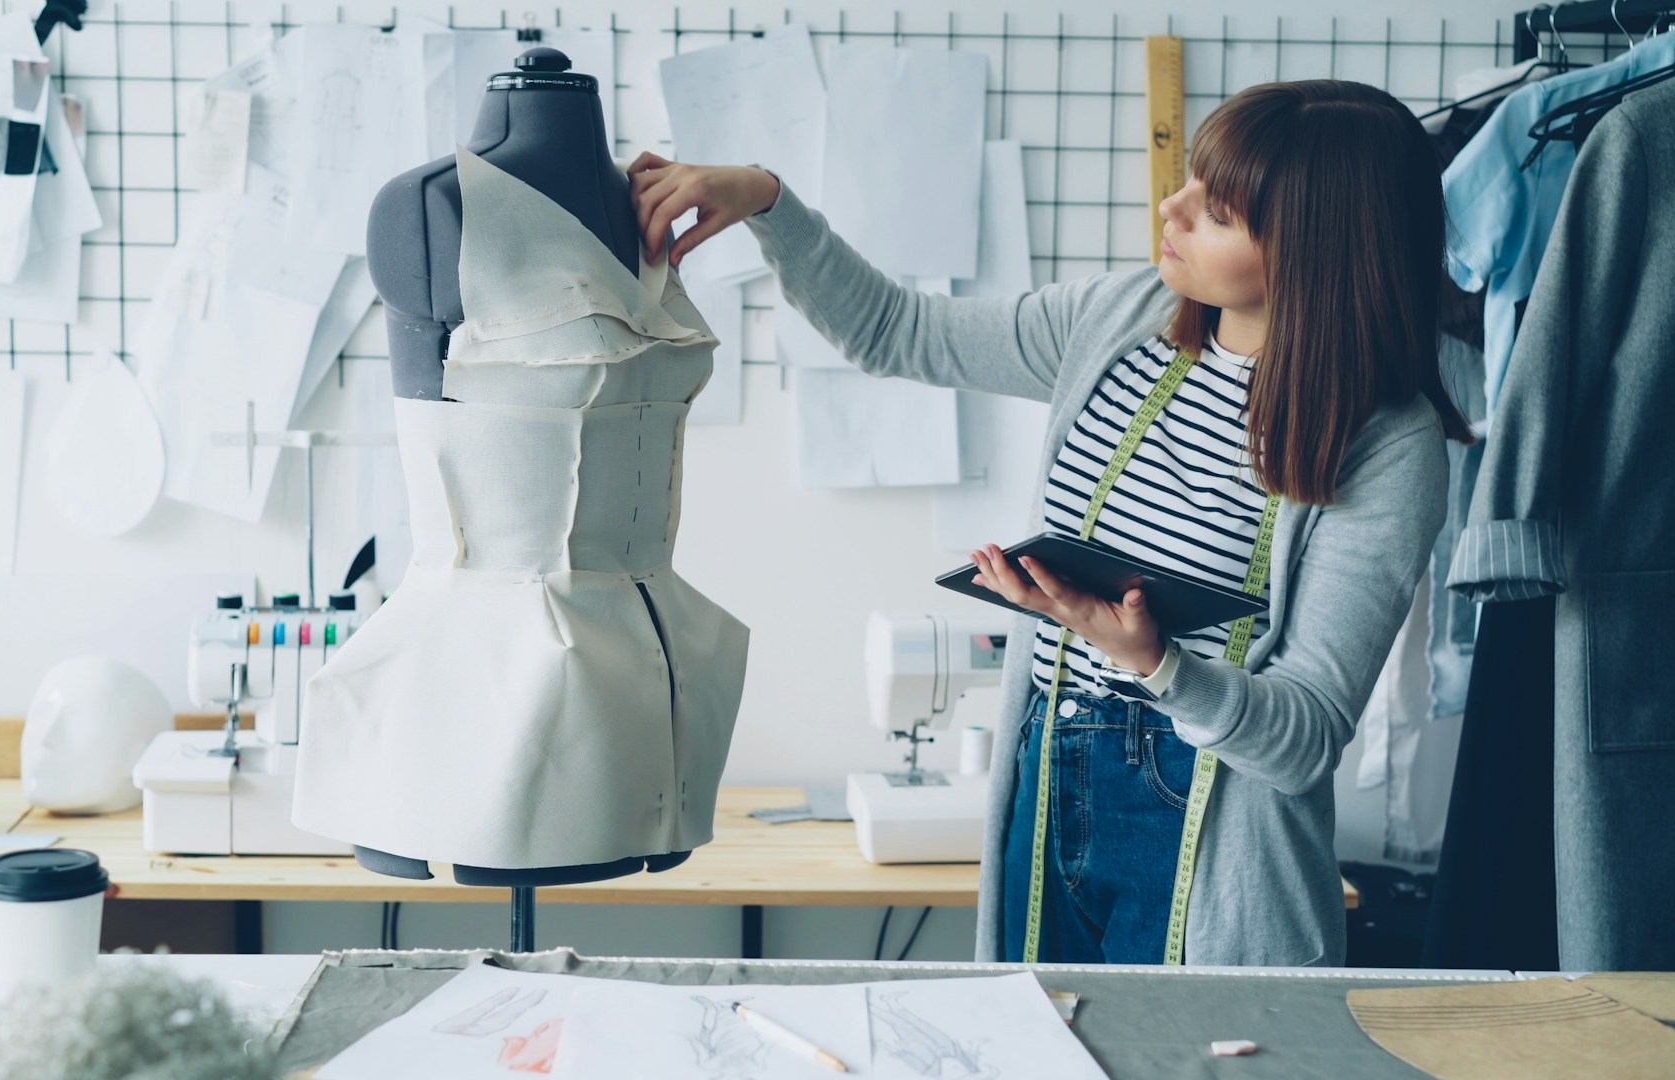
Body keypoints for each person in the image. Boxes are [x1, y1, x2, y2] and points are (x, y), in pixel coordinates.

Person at [627, 80, 1472, 966]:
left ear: (1315, 253)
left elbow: (1304, 738)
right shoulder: (1121, 322)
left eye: (1216, 211)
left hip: (1213, 832)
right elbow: (892, 330)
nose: (1172, 208)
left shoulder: (1386, 443)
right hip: (1048, 771)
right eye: (1191, 181)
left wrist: (1156, 662)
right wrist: (767, 202)